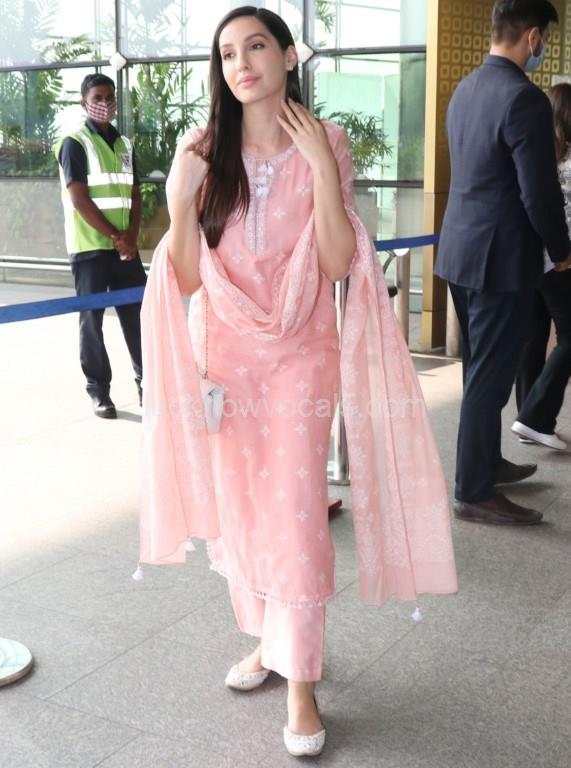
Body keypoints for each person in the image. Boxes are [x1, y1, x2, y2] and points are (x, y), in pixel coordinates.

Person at [137, 6, 457, 758]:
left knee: (294, 513)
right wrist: (179, 198)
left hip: (299, 360)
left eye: (256, 46)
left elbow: (340, 262)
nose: (241, 63)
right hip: (227, 360)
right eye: (227, 53)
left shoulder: (327, 141)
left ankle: (301, 682)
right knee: (246, 511)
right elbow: (186, 276)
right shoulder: (202, 150)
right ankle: (269, 641)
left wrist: (317, 167)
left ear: (287, 56)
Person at [435, 0, 571, 526]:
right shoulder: (524, 98)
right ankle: (473, 490)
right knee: (489, 378)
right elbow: (538, 191)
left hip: (460, 251)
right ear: (532, 36)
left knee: (479, 370)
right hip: (502, 259)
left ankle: (487, 462)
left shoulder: (465, 89)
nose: (544, 49)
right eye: (545, 41)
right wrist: (561, 250)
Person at [55, 73, 146, 419]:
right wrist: (116, 236)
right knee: (91, 321)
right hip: (90, 247)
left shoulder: (125, 145)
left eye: (110, 97)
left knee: (139, 316)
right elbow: (79, 198)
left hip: (125, 248)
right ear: (84, 103)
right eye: (97, 97)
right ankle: (99, 392)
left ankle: (148, 385)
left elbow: (135, 194)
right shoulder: (74, 143)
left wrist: (131, 237)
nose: (105, 103)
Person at [513, 83, 571, 451]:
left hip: (530, 256)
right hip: (562, 258)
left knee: (533, 336)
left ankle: (528, 418)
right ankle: (534, 417)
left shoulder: (536, 154)